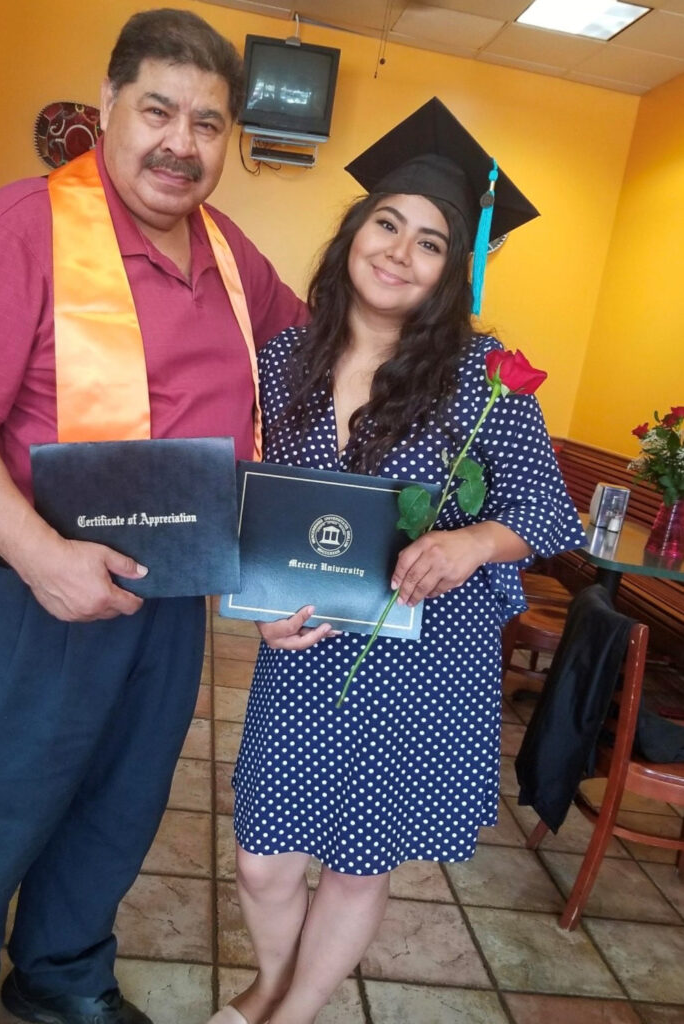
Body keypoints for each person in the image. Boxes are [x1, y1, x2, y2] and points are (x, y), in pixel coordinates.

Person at [0, 9, 305, 1024]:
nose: (181, 142)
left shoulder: (232, 254)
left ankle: (61, 974)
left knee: (118, 802)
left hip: (168, 595)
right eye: (159, 109)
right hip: (22, 591)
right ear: (110, 107)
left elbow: (310, 370)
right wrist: (41, 556)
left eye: (209, 124)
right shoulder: (19, 228)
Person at [209, 98, 587, 1024]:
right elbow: (244, 506)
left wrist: (470, 542)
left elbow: (547, 510)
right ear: (353, 232)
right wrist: (256, 603)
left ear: (450, 273)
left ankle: (291, 1014)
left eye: (430, 243)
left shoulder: (483, 378)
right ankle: (267, 983)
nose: (399, 251)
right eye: (387, 223)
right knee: (263, 856)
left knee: (354, 859)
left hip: (425, 662)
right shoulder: (280, 360)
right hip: (303, 652)